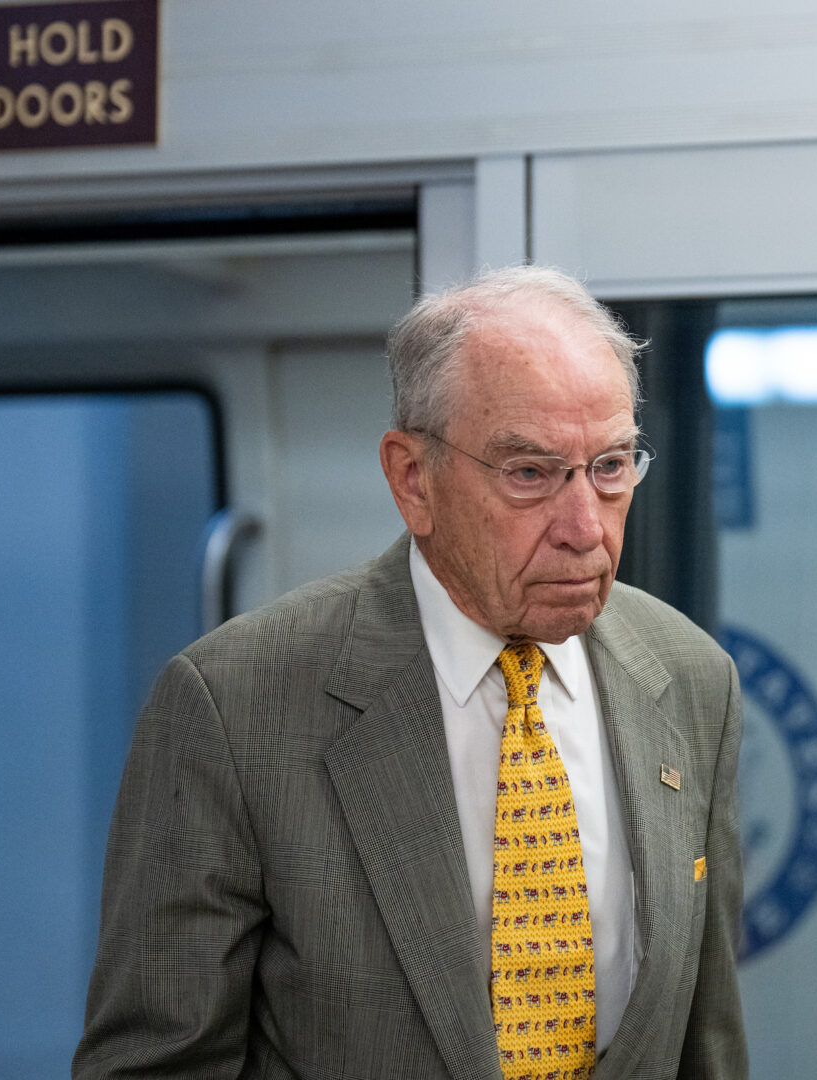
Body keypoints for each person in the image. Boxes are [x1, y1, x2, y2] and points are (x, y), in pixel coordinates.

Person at [73, 265, 746, 1080]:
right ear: (412, 479)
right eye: (530, 474)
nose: (584, 529)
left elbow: (707, 1045)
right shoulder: (236, 706)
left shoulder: (689, 678)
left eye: (609, 468)